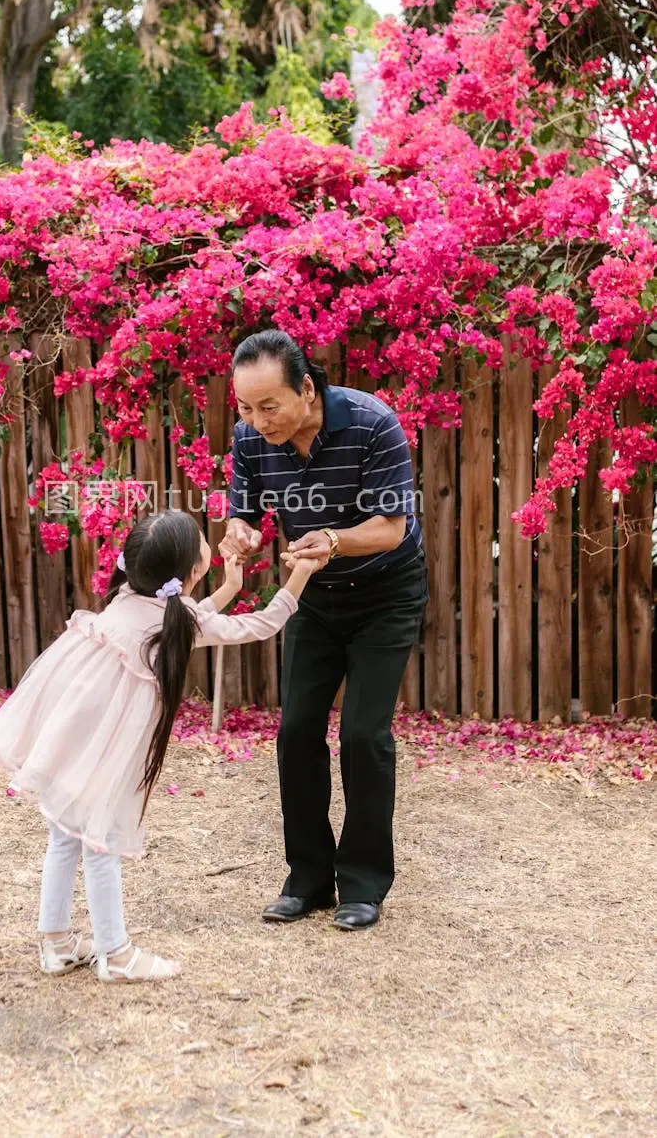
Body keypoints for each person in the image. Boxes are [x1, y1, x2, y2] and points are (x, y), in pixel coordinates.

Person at [0, 510, 318, 982]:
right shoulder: (173, 618)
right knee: (99, 838)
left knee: (66, 833)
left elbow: (185, 618)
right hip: (107, 734)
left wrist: (230, 589)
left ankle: (55, 943)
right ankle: (114, 954)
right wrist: (300, 574)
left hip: (73, 720)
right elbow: (262, 625)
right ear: (192, 572)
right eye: (202, 546)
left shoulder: (128, 596)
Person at [219, 330, 427, 931]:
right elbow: (245, 509)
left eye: (269, 406)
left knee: (364, 735)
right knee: (296, 731)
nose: (257, 421)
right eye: (245, 408)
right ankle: (307, 879)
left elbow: (390, 527)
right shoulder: (250, 439)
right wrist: (242, 532)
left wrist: (333, 541)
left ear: (306, 389)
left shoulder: (372, 422)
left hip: (386, 594)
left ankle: (362, 883)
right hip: (313, 598)